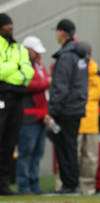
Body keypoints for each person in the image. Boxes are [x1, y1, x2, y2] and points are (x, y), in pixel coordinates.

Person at [44, 19, 88, 194]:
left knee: (64, 148)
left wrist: (51, 112)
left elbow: (60, 87)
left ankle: (69, 185)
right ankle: (72, 184)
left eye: (57, 31)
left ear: (62, 33)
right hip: (76, 108)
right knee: (70, 147)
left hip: (64, 110)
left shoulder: (66, 56)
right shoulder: (80, 56)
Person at [0, 13, 34, 195]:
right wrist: (17, 67)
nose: (10, 27)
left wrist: (10, 75)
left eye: (11, 24)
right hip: (2, 99)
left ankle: (3, 183)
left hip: (16, 99)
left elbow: (28, 72)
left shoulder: (20, 48)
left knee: (9, 142)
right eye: (6, 25)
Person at [16, 36, 50, 194]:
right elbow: (27, 84)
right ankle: (24, 186)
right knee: (26, 153)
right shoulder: (20, 65)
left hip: (39, 116)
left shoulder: (39, 66)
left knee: (37, 153)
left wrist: (46, 112)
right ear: (28, 50)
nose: (39, 55)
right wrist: (47, 82)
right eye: (36, 52)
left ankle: (34, 185)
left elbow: (44, 93)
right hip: (27, 116)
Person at [76, 42, 100, 195]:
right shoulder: (73, 70)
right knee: (72, 156)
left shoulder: (97, 73)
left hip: (92, 122)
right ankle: (67, 186)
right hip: (74, 120)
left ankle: (87, 189)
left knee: (91, 158)